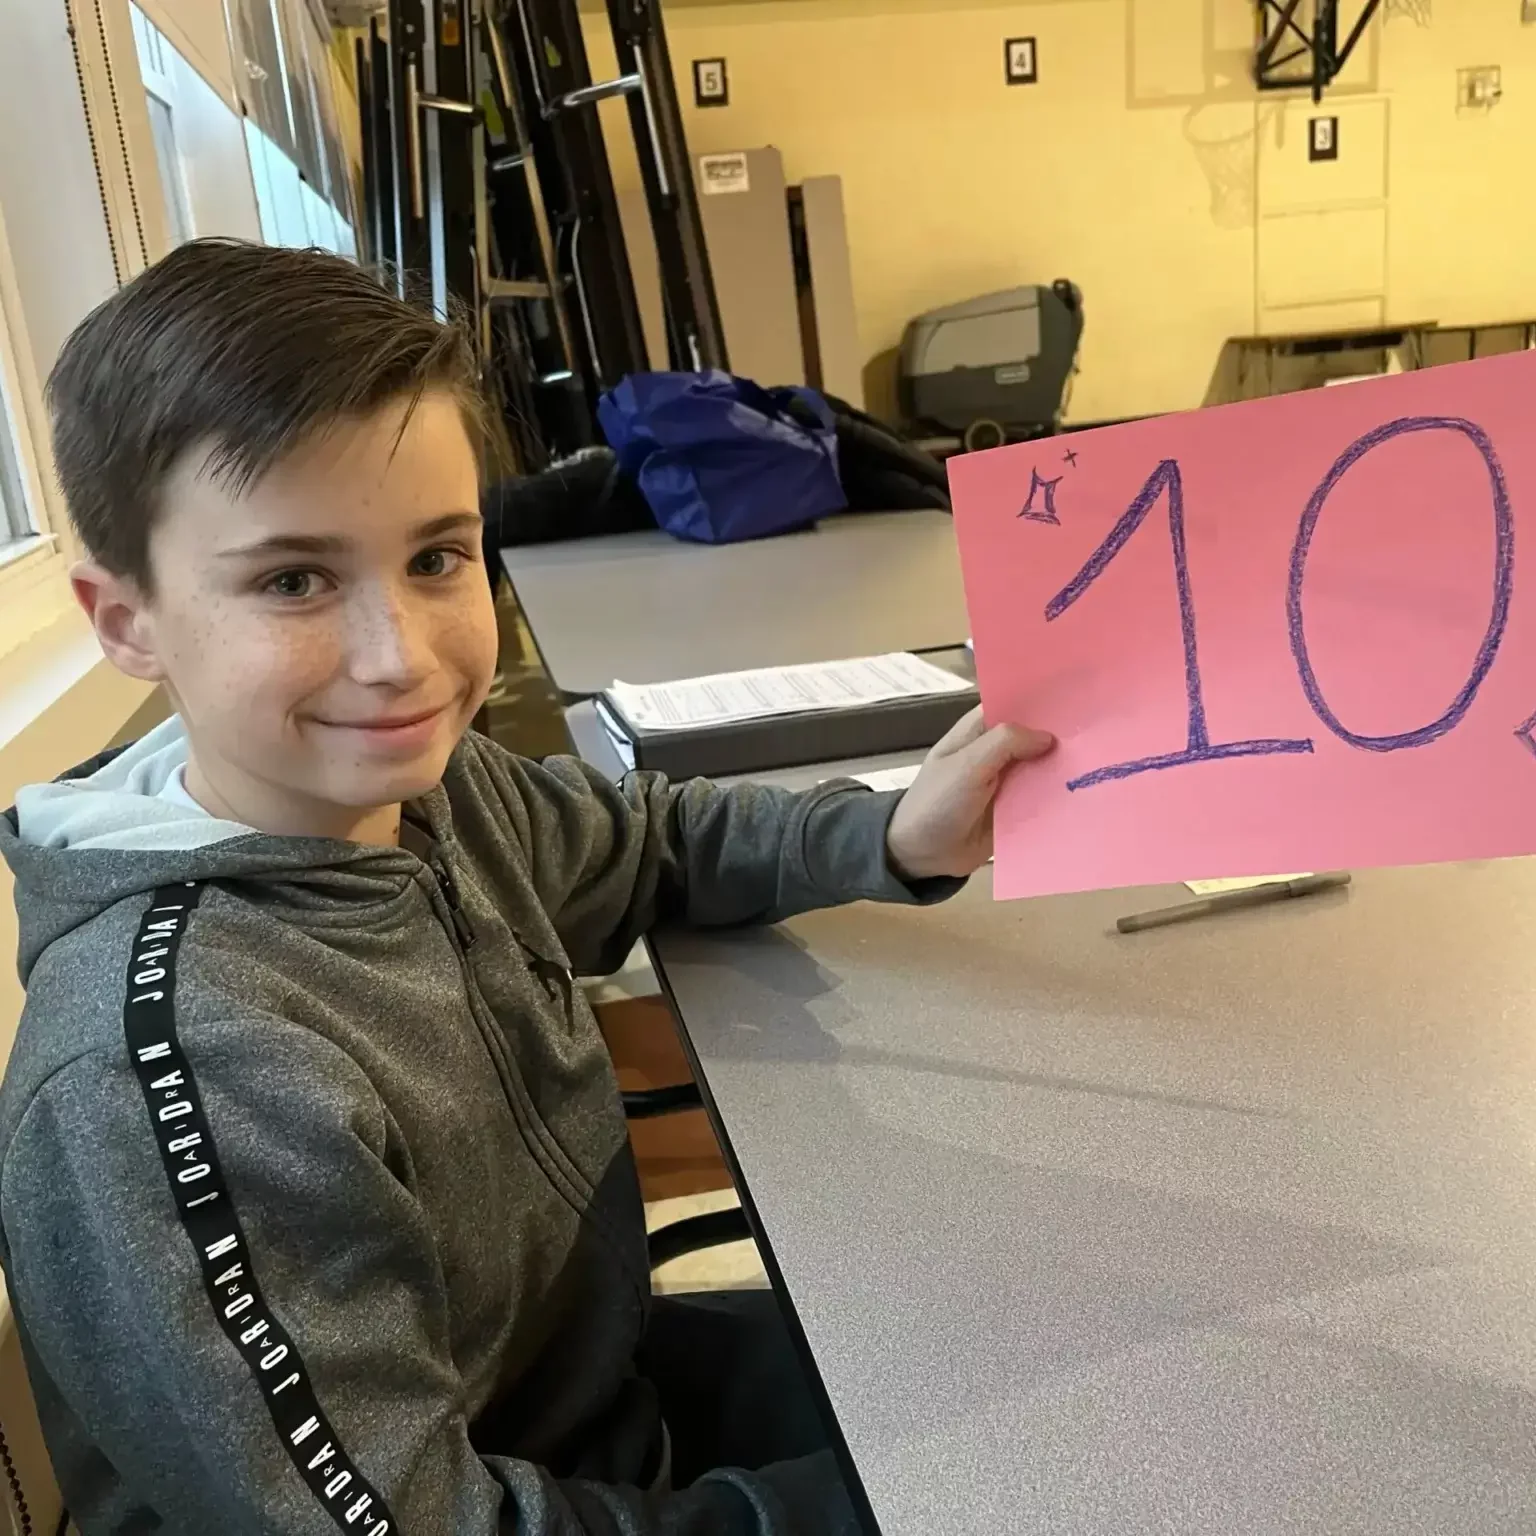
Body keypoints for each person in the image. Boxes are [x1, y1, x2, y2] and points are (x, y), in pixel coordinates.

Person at [0, 239, 1053, 1535]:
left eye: (437, 558)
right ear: (124, 620)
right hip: (486, 1492)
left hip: (580, 1390)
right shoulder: (186, 1074)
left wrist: (893, 838)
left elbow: (648, 842)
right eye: (293, 579)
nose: (402, 657)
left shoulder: (417, 793)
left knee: (1051, 1371)